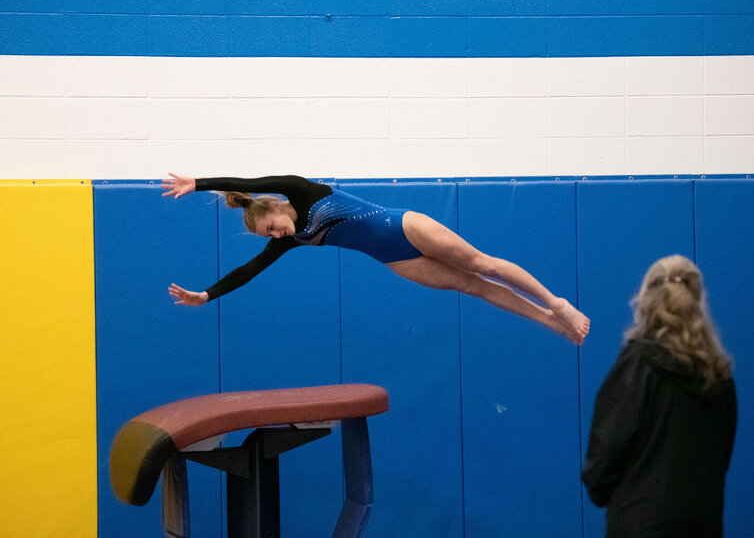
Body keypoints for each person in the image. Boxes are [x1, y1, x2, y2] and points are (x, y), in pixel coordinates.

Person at [161, 174, 590, 344]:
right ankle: (550, 322)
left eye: (272, 227)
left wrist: (197, 182)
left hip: (405, 227)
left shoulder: (302, 191)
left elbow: (246, 180)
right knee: (472, 287)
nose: (275, 236)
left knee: (482, 265)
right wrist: (206, 294)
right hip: (395, 258)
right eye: (269, 237)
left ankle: (557, 303)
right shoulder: (292, 241)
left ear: (277, 208)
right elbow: (248, 270)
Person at [582, 255, 737, 537]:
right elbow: (721, 458)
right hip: (704, 522)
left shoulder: (638, 364)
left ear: (645, 300)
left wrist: (605, 491)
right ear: (697, 301)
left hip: (641, 521)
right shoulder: (719, 375)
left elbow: (606, 450)